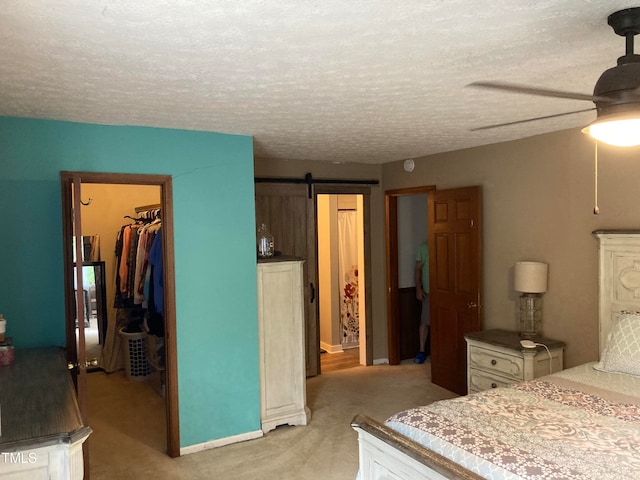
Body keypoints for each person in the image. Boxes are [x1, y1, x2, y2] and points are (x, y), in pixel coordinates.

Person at [414, 241, 431, 364]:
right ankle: (422, 350)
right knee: (424, 321)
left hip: (445, 292)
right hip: (428, 291)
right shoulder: (424, 247)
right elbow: (418, 269)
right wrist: (418, 289)